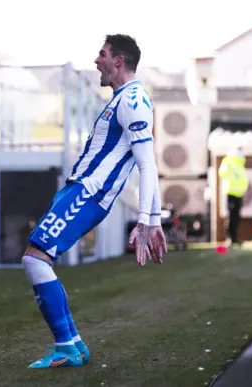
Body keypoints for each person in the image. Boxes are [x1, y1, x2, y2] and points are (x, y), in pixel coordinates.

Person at [23, 34, 167, 369]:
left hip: (88, 193)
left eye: (101, 54)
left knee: (36, 260)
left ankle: (67, 346)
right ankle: (72, 345)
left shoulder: (133, 100)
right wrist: (156, 219)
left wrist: (147, 220)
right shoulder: (124, 98)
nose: (96, 61)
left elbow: (147, 163)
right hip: (79, 191)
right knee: (37, 258)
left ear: (119, 61)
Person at [218, 147, 249, 246]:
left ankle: (235, 238)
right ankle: (229, 238)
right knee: (231, 216)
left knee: (236, 217)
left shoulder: (240, 165)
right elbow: (223, 173)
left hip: (239, 194)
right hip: (231, 193)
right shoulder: (228, 162)